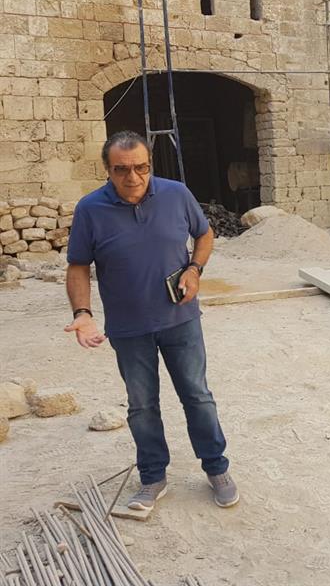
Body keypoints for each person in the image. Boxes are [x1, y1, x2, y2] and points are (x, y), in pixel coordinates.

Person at [64, 131, 239, 512]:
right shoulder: (90, 209)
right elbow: (78, 266)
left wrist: (194, 269)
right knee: (142, 405)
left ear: (150, 165)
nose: (133, 177)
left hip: (180, 319)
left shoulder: (177, 194)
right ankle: (153, 476)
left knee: (197, 396)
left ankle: (216, 468)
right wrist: (82, 313)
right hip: (128, 328)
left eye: (141, 168)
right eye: (121, 170)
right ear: (107, 169)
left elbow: (204, 235)